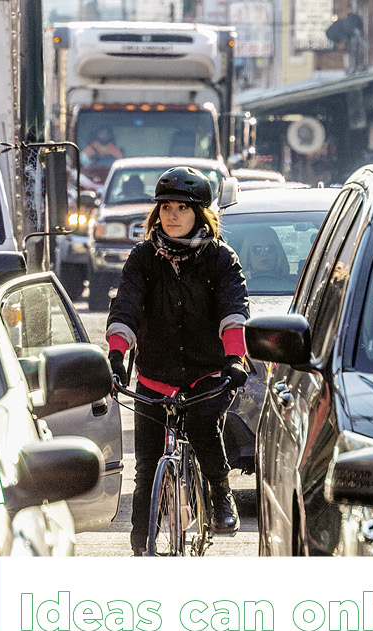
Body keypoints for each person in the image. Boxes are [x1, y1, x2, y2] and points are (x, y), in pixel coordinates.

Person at [106, 166, 250, 555]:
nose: (172, 215)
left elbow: (233, 312)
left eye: (182, 208)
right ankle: (143, 542)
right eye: (165, 207)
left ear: (200, 214)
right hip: (155, 375)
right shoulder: (142, 258)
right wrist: (117, 356)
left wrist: (235, 359)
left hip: (210, 374)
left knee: (204, 426)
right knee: (147, 464)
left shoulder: (221, 259)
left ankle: (221, 495)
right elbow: (126, 309)